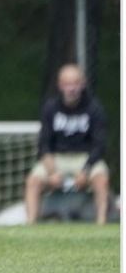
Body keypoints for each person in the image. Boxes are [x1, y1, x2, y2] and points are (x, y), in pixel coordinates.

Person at [25, 64, 109, 224]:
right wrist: (52, 173)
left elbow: (99, 145)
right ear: (60, 85)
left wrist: (85, 171)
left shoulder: (94, 108)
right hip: (56, 158)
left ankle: (101, 223)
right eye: (67, 84)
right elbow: (44, 144)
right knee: (32, 181)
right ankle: (30, 224)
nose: (71, 88)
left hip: (85, 158)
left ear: (83, 84)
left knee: (101, 180)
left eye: (75, 83)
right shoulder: (50, 107)